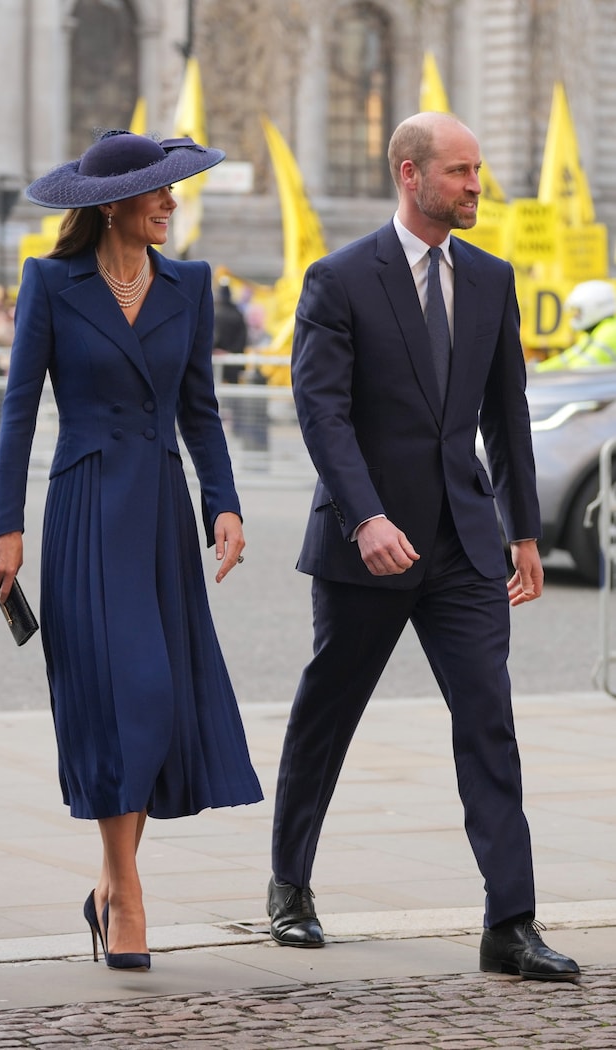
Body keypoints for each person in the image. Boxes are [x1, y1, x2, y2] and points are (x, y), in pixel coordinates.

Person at [267, 111, 580, 983]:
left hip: (464, 549)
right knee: (327, 716)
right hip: (367, 544)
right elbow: (321, 413)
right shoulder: (338, 280)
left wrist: (523, 529)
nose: (476, 186)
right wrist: (365, 519)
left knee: (490, 723)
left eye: (477, 172)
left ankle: (509, 923)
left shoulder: (490, 278)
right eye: (460, 172)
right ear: (411, 175)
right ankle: (290, 886)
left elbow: (507, 411)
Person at [0, 129, 263, 973]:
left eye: (174, 188)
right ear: (113, 205)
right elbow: (19, 411)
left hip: (159, 518)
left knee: (156, 699)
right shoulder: (50, 282)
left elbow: (202, 410)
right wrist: (6, 524)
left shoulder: (190, 284)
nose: (172, 202)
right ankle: (126, 890)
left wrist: (225, 503)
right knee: (116, 698)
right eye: (158, 191)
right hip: (82, 509)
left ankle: (113, 885)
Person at [535, 279, 616, 370]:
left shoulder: (609, 333)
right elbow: (567, 358)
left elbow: (582, 367)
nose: (574, 315)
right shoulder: (595, 332)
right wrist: (538, 369)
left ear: (595, 307)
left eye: (577, 311)